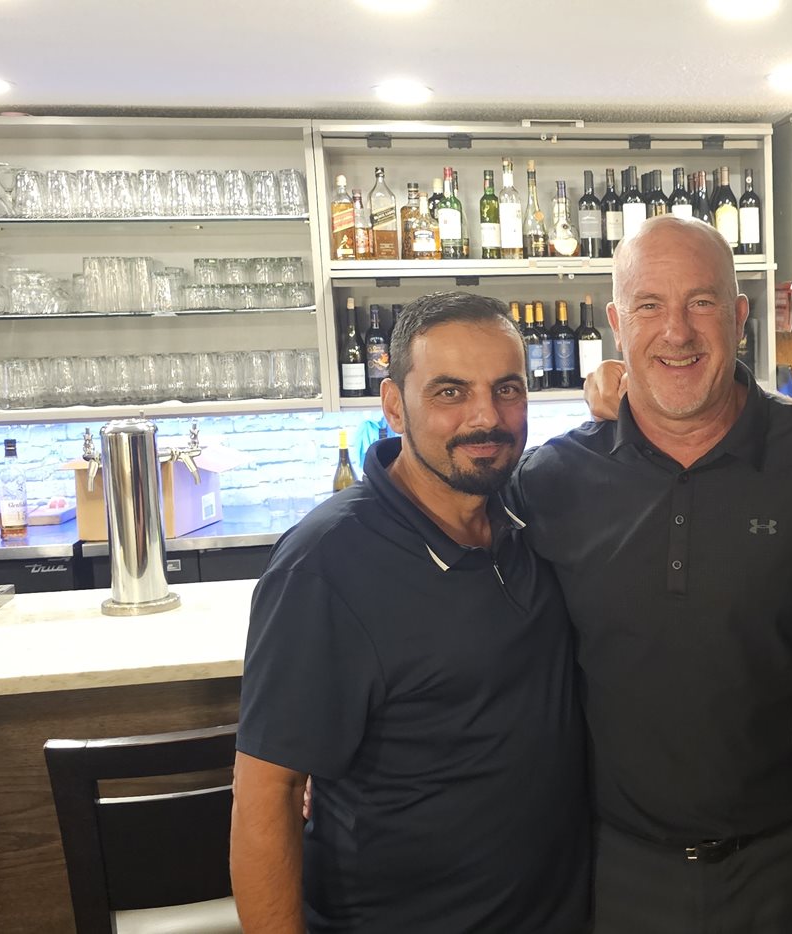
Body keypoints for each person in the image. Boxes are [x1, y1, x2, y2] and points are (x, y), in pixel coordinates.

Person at [513, 214, 792, 933]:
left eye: (701, 302)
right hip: (617, 873)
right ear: (617, 324)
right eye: (649, 305)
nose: (676, 331)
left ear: (739, 316)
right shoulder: (550, 482)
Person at [231, 291, 589, 933]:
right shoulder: (325, 564)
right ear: (394, 405)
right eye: (451, 392)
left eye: (506, 389)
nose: (487, 417)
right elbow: (267, 795)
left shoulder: (532, 514)